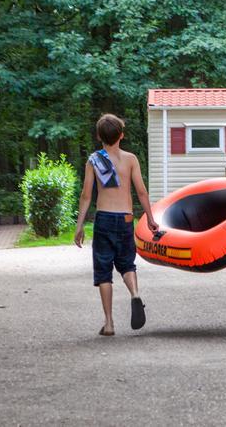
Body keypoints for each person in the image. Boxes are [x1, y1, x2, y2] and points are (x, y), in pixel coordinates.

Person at [74, 114, 159, 337]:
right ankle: (135, 294)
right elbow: (141, 191)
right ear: (121, 135)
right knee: (127, 263)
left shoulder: (94, 160)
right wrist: (149, 218)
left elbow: (86, 195)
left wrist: (79, 225)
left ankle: (109, 323)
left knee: (103, 271)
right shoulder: (130, 159)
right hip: (126, 218)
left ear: (98, 136)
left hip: (104, 218)